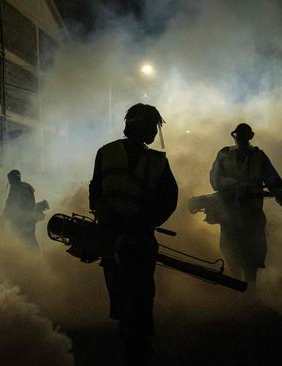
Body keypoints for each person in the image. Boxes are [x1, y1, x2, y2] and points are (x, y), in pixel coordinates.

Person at [89, 103, 178, 365]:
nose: (153, 132)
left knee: (134, 294)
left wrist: (138, 223)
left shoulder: (110, 153)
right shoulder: (112, 154)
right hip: (120, 238)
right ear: (142, 127)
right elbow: (97, 192)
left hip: (131, 238)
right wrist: (115, 220)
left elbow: (168, 200)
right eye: (152, 126)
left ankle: (136, 344)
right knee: (130, 294)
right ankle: (135, 341)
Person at [209, 123, 282, 284]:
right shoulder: (224, 154)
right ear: (235, 136)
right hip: (229, 216)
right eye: (239, 135)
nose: (241, 139)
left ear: (250, 137)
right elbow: (215, 180)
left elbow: (275, 184)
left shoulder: (259, 157)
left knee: (252, 259)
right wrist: (234, 185)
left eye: (244, 135)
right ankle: (237, 293)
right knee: (232, 257)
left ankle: (250, 295)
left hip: (252, 216)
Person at [3, 170, 39, 248]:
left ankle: (31, 259)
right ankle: (35, 258)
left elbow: (11, 204)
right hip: (28, 221)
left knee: (23, 242)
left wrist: (5, 215)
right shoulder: (25, 187)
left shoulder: (17, 189)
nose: (9, 182)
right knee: (29, 241)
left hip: (22, 222)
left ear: (13, 179)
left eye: (10, 180)